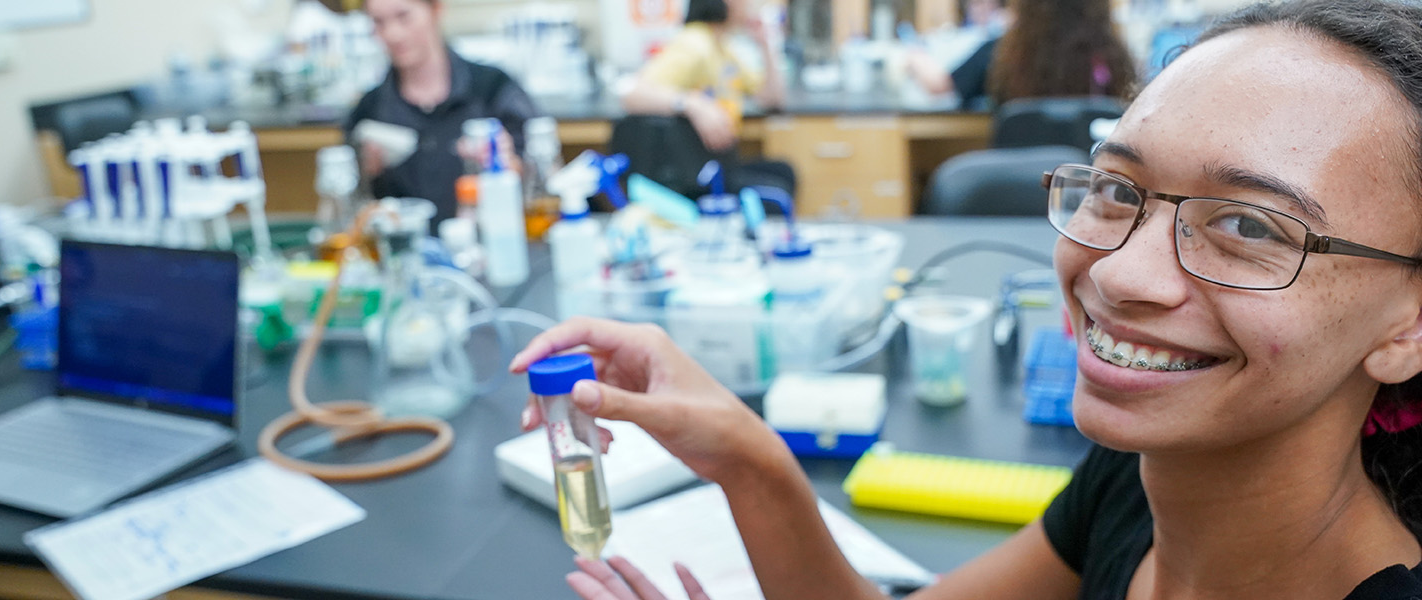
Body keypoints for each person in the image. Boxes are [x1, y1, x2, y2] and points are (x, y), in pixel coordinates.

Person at [510, 0, 1422, 597]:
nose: (1118, 273)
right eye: (1116, 188)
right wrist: (748, 456)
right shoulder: (1142, 481)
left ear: (1408, 323)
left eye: (1253, 228)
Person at [343, 0, 539, 230]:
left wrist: (510, 166)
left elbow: (542, 178)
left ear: (436, 9)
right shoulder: (369, 111)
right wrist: (366, 174)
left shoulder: (492, 90)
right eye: (378, 22)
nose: (393, 34)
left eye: (404, 16)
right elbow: (352, 205)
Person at [620, 0, 795, 195]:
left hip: (722, 160)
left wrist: (766, 44)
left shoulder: (722, 46)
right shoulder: (695, 43)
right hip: (699, 170)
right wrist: (693, 104)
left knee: (784, 172)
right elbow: (632, 93)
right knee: (778, 190)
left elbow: (771, 99)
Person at [908, 0, 1135, 109]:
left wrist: (915, 57)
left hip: (1017, 181)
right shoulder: (1113, 56)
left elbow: (941, 85)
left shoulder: (1004, 52)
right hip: (1089, 176)